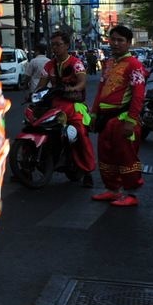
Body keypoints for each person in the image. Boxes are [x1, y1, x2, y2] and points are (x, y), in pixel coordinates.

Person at [90, 24, 147, 207]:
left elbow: (138, 95)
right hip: (105, 119)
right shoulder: (108, 63)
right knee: (106, 155)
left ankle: (131, 193)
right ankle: (113, 190)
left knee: (126, 156)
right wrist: (93, 114)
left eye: (120, 40)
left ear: (129, 43)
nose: (115, 43)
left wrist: (131, 120)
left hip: (123, 119)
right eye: (112, 39)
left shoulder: (134, 65)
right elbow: (100, 90)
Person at [42, 32, 96, 188]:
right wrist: (32, 94)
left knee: (80, 135)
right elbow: (42, 84)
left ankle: (87, 172)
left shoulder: (76, 63)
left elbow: (82, 83)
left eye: (58, 44)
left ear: (66, 45)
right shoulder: (49, 65)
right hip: (54, 106)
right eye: (53, 45)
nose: (55, 48)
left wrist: (73, 89)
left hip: (73, 106)